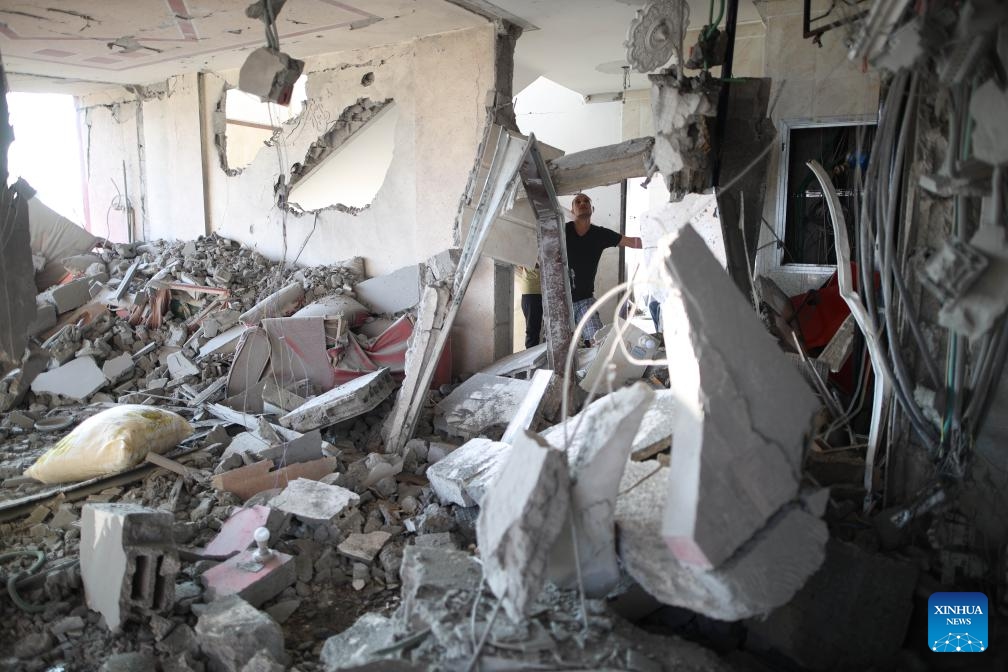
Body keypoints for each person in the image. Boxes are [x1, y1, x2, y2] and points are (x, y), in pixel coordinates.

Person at [565, 192, 642, 344]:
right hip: (560, 301)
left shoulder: (599, 234)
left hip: (584, 300)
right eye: (578, 201)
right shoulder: (562, 231)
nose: (582, 203)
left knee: (598, 341)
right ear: (572, 210)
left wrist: (663, 238)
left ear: (592, 209)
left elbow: (633, 242)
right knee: (559, 347)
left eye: (586, 201)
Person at [516, 264, 542, 348]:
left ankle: (532, 356)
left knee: (534, 329)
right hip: (532, 292)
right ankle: (531, 359)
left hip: (532, 292)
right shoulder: (530, 252)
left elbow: (519, 266)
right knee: (533, 331)